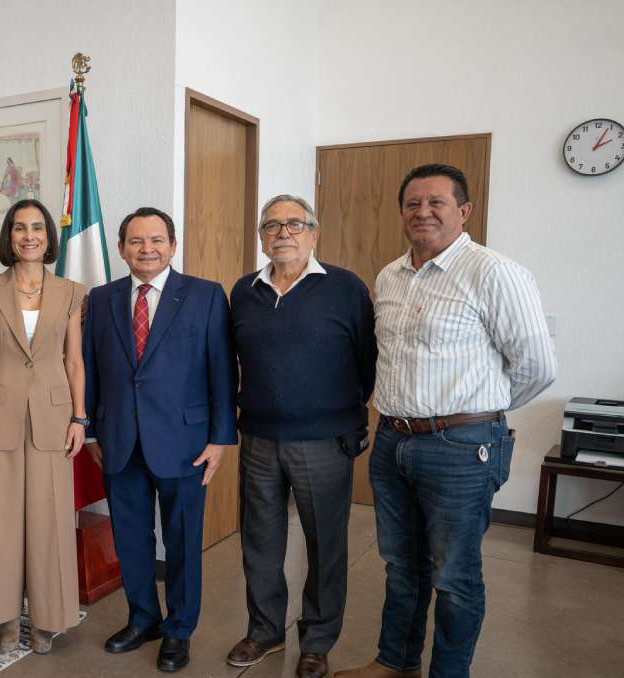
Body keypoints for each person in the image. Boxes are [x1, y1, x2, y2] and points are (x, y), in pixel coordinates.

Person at [335, 164, 555, 678]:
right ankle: (395, 663)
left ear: (464, 210)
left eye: (436, 202)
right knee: (401, 565)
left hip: (461, 446)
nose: (423, 212)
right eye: (413, 203)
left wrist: (478, 415)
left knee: (454, 576)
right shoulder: (390, 275)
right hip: (393, 442)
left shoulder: (494, 272)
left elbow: (538, 367)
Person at [227, 195, 376, 677]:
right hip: (259, 440)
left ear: (314, 232)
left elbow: (368, 362)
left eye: (295, 224)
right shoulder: (244, 291)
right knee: (260, 541)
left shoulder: (346, 288)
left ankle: (316, 639)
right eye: (272, 226)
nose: (283, 233)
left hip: (324, 441)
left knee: (325, 545)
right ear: (261, 237)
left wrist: (346, 417)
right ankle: (266, 630)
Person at [83, 207, 237, 673]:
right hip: (119, 438)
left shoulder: (207, 296)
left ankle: (179, 629)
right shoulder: (102, 297)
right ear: (121, 248)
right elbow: (90, 368)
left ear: (173, 245)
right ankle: (143, 618)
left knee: (183, 540)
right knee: (130, 536)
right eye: (135, 241)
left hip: (187, 441)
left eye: (155, 240)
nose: (145, 248)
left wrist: (221, 438)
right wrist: (91, 427)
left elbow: (222, 371)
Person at [0, 198, 87, 654]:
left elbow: (74, 360)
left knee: (50, 521)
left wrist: (79, 417)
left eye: (36, 227)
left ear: (49, 236)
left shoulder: (72, 291)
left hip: (54, 418)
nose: (28, 235)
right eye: (19, 228)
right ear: (9, 237)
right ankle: (3, 617)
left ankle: (46, 620)